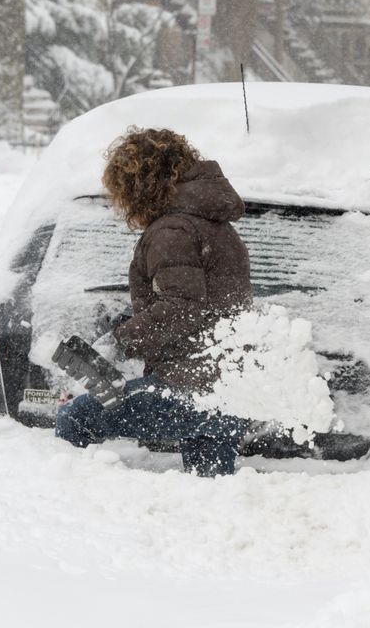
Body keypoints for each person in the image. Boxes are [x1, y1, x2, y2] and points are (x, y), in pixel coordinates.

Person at [55, 127, 253, 476]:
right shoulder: (214, 225)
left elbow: (183, 307)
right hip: (230, 389)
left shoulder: (172, 230)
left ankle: (69, 496)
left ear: (139, 184)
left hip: (191, 388)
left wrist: (121, 341)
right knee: (210, 487)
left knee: (76, 416)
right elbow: (203, 304)